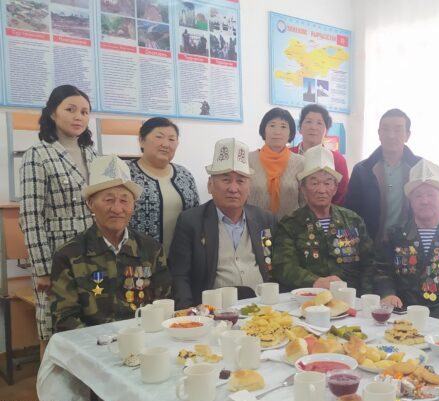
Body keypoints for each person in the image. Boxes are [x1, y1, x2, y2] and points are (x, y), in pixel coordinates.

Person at [49, 155, 171, 332]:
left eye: (124, 200)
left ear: (133, 205)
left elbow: (163, 305)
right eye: (108, 200)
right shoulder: (68, 254)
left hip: (145, 342)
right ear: (91, 204)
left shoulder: (151, 249)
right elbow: (64, 319)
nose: (117, 209)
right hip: (92, 348)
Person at [19, 84, 97, 344]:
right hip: (56, 254)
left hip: (94, 251)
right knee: (55, 329)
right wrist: (41, 269)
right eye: (71, 109)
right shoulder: (38, 154)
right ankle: (48, 385)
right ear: (52, 113)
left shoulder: (94, 155)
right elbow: (30, 217)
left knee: (91, 320)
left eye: (85, 112)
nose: (79, 117)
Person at [169, 138, 277, 308]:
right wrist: (188, 314)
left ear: (249, 189)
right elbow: (180, 275)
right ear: (210, 185)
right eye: (226, 180)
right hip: (214, 311)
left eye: (241, 181)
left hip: (263, 307)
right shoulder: (191, 221)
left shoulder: (265, 219)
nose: (233, 188)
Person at [374, 159, 439, 320]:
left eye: (431, 194)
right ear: (410, 201)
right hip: (404, 316)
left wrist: (437, 319)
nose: (425, 201)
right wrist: (388, 293)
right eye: (418, 195)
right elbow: (381, 270)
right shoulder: (395, 235)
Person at [273, 145, 374, 293]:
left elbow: (369, 263)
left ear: (335, 188)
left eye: (327, 183)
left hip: (351, 301)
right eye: (314, 183)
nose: (321, 190)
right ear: (303, 188)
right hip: (307, 301)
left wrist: (366, 298)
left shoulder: (353, 221)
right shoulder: (290, 224)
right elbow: (284, 266)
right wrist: (316, 282)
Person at [344, 108, 421, 245]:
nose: (391, 135)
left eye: (398, 130)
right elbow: (350, 215)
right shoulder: (362, 170)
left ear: (407, 135)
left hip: (411, 249)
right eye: (385, 129)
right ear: (379, 133)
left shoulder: (421, 169)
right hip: (371, 249)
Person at [128, 117, 199, 254]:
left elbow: (196, 215)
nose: (166, 144)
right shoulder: (126, 173)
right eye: (159, 137)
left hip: (181, 258)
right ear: (141, 140)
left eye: (172, 139)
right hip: (138, 257)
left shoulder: (185, 175)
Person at [248, 107, 304, 219]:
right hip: (255, 226)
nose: (277, 131)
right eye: (272, 125)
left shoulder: (300, 162)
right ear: (264, 130)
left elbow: (304, 202)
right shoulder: (248, 159)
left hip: (290, 229)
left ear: (290, 133)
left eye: (283, 126)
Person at [290, 104, 349, 205]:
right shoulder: (288, 155)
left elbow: (341, 195)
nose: (313, 127)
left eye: (319, 123)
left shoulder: (337, 160)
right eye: (308, 122)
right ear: (300, 128)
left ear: (326, 131)